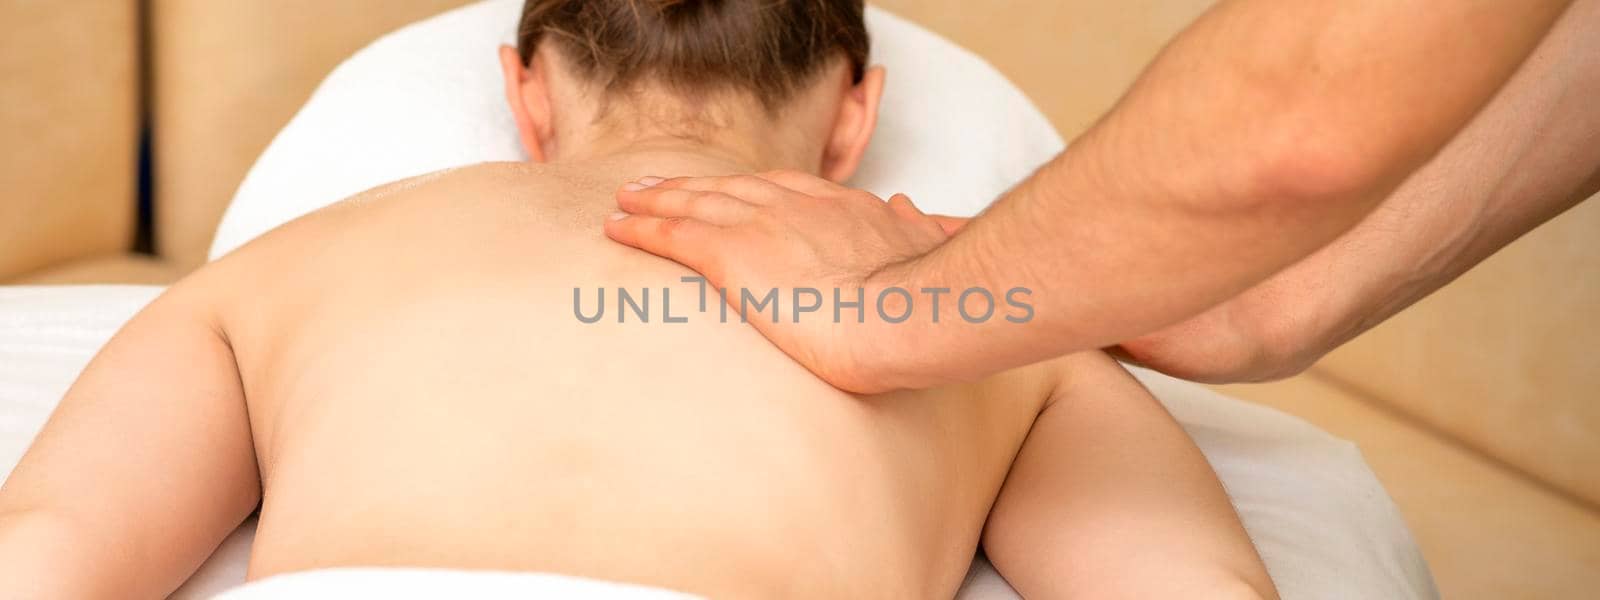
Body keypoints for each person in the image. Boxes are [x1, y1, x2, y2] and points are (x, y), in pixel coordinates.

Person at [0, 1, 1277, 598]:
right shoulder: (1003, 329)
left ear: (527, 97)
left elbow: (45, 552)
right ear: (854, 121)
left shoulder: (284, 268)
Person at [605, 0, 1596, 393]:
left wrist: (892, 311)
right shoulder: (1029, 362)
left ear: (520, 89)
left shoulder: (443, 222)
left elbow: (1305, 111)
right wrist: (1277, 294)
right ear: (853, 118)